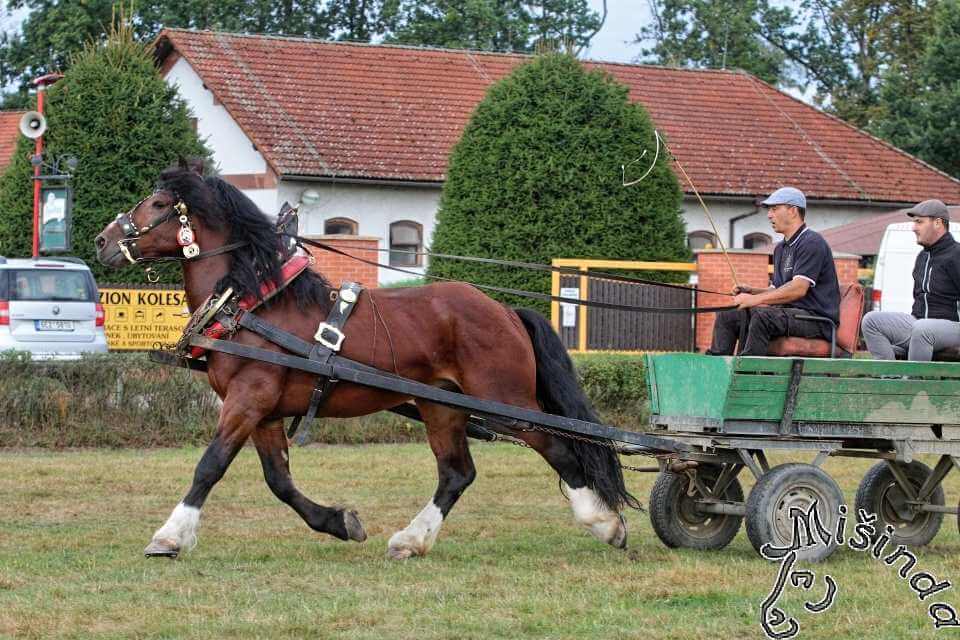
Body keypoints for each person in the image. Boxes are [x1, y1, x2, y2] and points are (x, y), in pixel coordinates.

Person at [707, 187, 841, 356]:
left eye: (775, 209)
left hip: (816, 320)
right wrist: (751, 290)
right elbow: (777, 289)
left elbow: (798, 289)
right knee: (728, 315)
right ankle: (716, 371)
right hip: (789, 315)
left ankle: (748, 373)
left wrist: (754, 300)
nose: (769, 215)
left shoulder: (812, 242)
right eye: (769, 210)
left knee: (762, 316)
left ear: (793, 211)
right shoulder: (781, 249)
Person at [861, 199, 960, 360]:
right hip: (920, 323)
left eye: (919, 222)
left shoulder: (956, 255)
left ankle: (912, 383)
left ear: (938, 223)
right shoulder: (922, 257)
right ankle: (890, 381)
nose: (914, 228)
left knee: (922, 329)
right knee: (871, 320)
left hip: (953, 328)